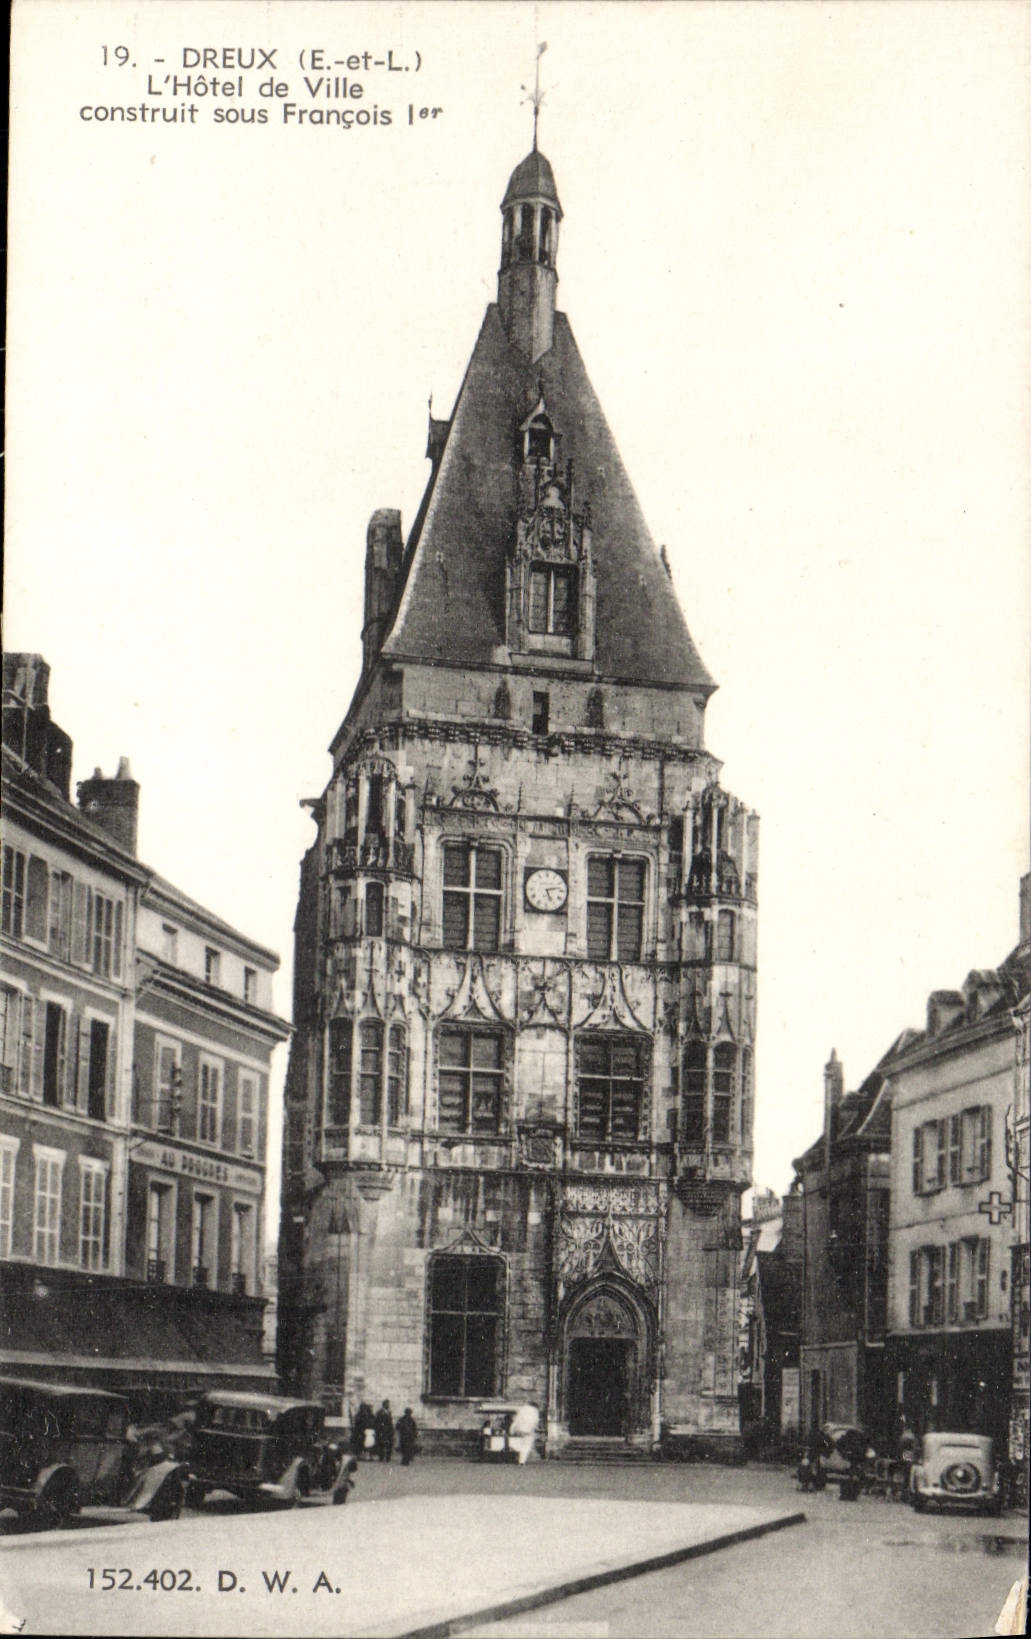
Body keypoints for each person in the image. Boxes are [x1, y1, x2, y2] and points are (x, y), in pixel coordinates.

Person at [374, 1399, 395, 1463]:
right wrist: (379, 1430)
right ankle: (381, 1457)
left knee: (389, 1444)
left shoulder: (389, 1412)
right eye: (387, 1404)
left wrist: (392, 1430)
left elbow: (390, 1422)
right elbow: (377, 1422)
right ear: (384, 1405)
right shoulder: (379, 1412)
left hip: (389, 1431)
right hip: (382, 1431)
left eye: (388, 1404)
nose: (388, 1405)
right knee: (381, 1444)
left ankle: (388, 1457)